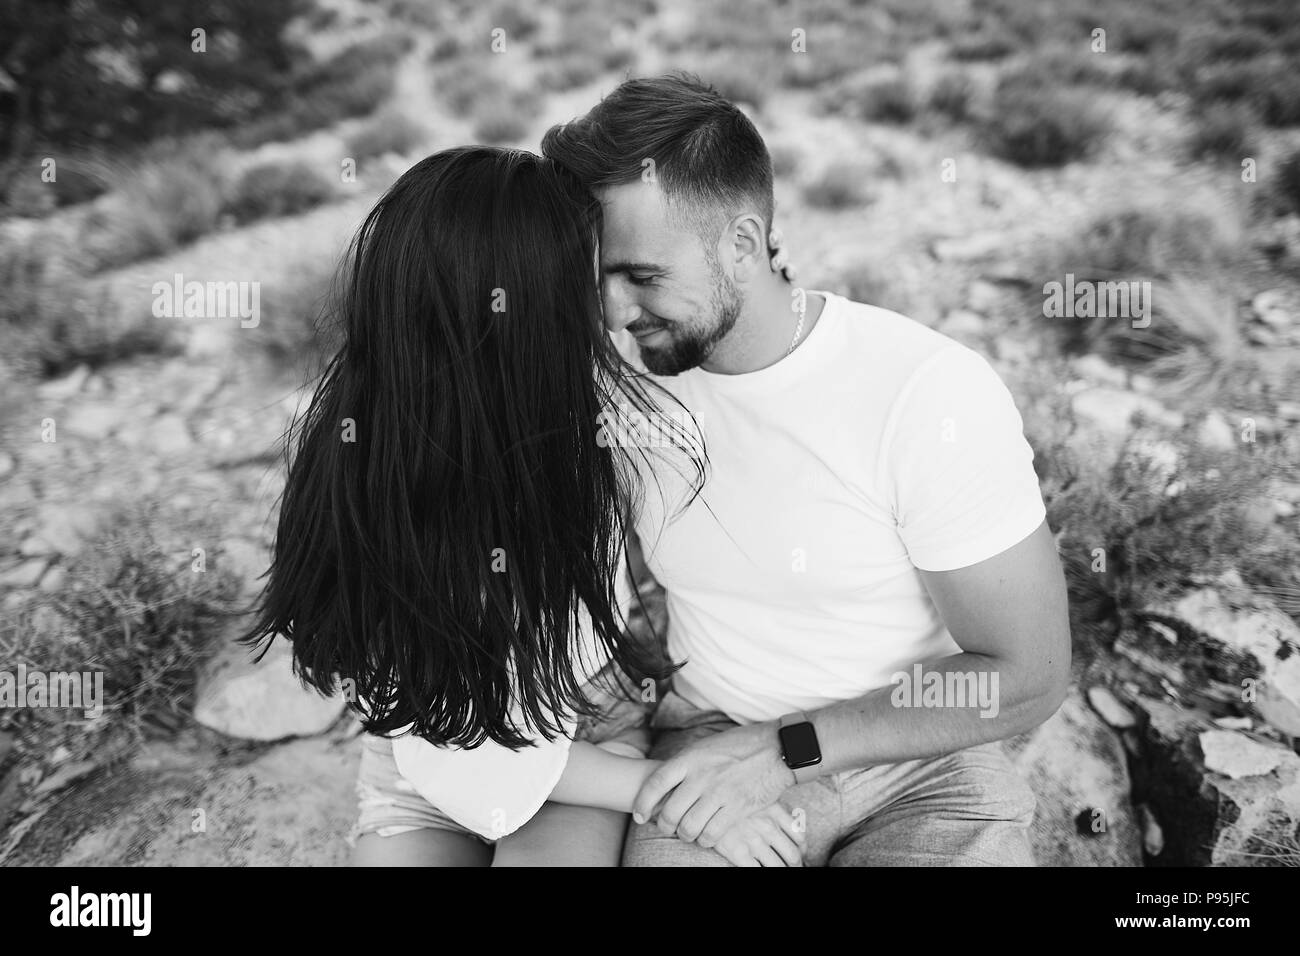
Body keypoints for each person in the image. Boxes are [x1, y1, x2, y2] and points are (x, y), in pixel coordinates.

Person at [541, 74, 1072, 866]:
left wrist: (786, 749)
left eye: (643, 276)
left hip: (916, 757)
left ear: (744, 245)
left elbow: (1027, 671)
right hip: (711, 742)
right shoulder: (619, 386)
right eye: (600, 280)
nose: (616, 313)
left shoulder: (924, 393)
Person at [242, 145, 805, 866]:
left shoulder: (596, 420)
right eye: (589, 280)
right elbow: (462, 759)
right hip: (434, 754)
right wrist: (671, 795)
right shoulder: (364, 472)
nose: (612, 308)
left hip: (583, 734)